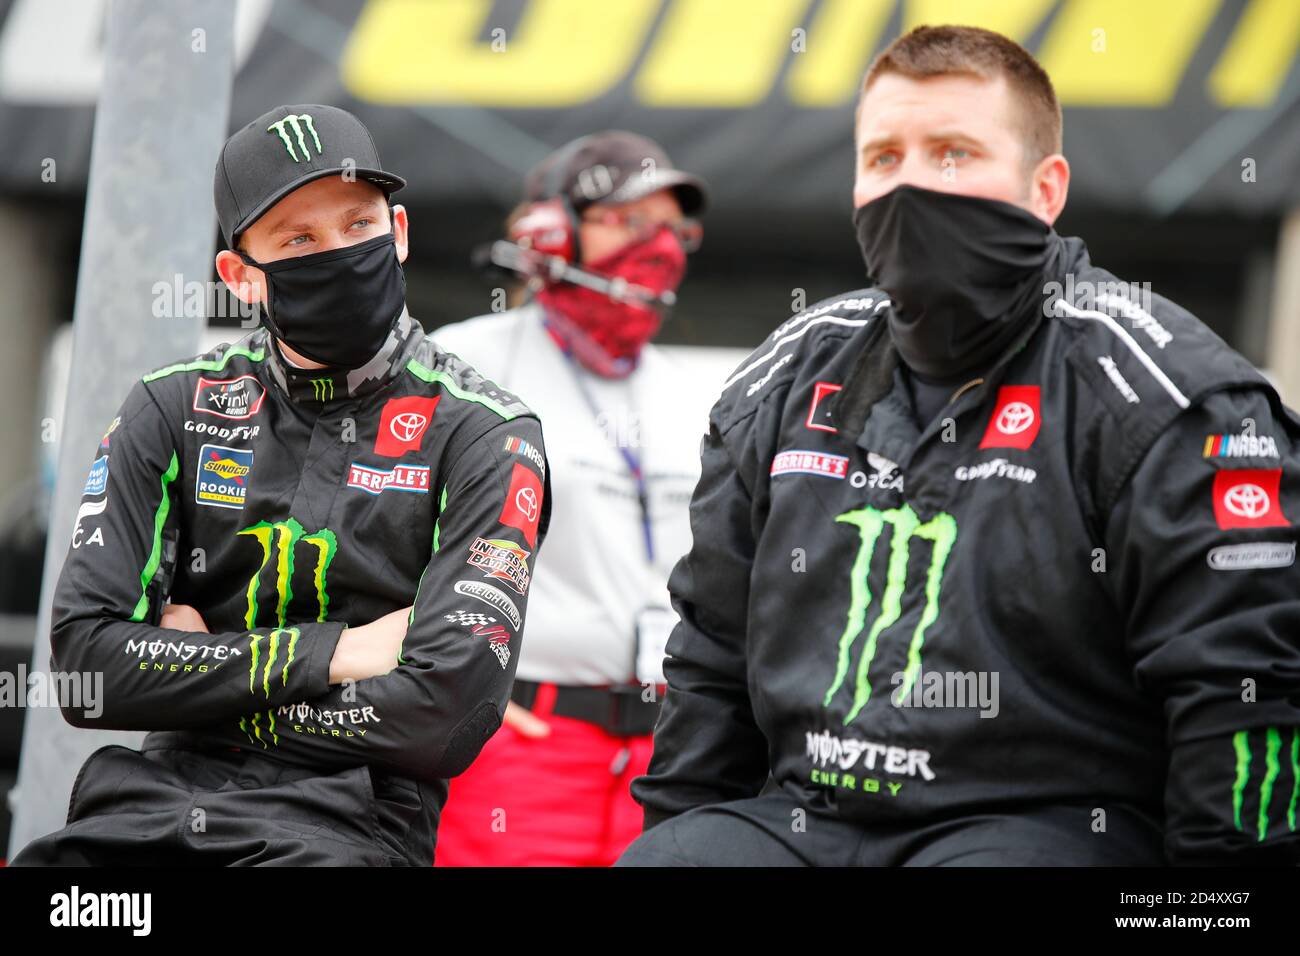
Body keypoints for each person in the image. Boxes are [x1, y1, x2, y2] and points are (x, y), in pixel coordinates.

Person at [617, 25, 1300, 866]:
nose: (912, 186)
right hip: (808, 819)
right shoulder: (788, 375)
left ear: (1045, 189)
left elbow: (1242, 692)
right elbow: (710, 661)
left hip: (1044, 826)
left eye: (952, 153)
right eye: (883, 158)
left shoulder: (1166, 393)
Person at [11, 104, 550, 866]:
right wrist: (336, 653)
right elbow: (89, 671)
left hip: (350, 825)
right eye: (299, 238)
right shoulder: (173, 405)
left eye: (358, 226)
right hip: (142, 810)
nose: (337, 251)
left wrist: (195, 680)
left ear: (397, 233)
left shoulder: (484, 432)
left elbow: (445, 718)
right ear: (239, 276)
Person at [431, 131, 716, 866]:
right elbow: (371, 531)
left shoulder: (694, 393)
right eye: (628, 221)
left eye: (673, 228)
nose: (659, 248)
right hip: (516, 745)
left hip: (667, 755)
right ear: (549, 235)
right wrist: (444, 680)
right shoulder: (465, 362)